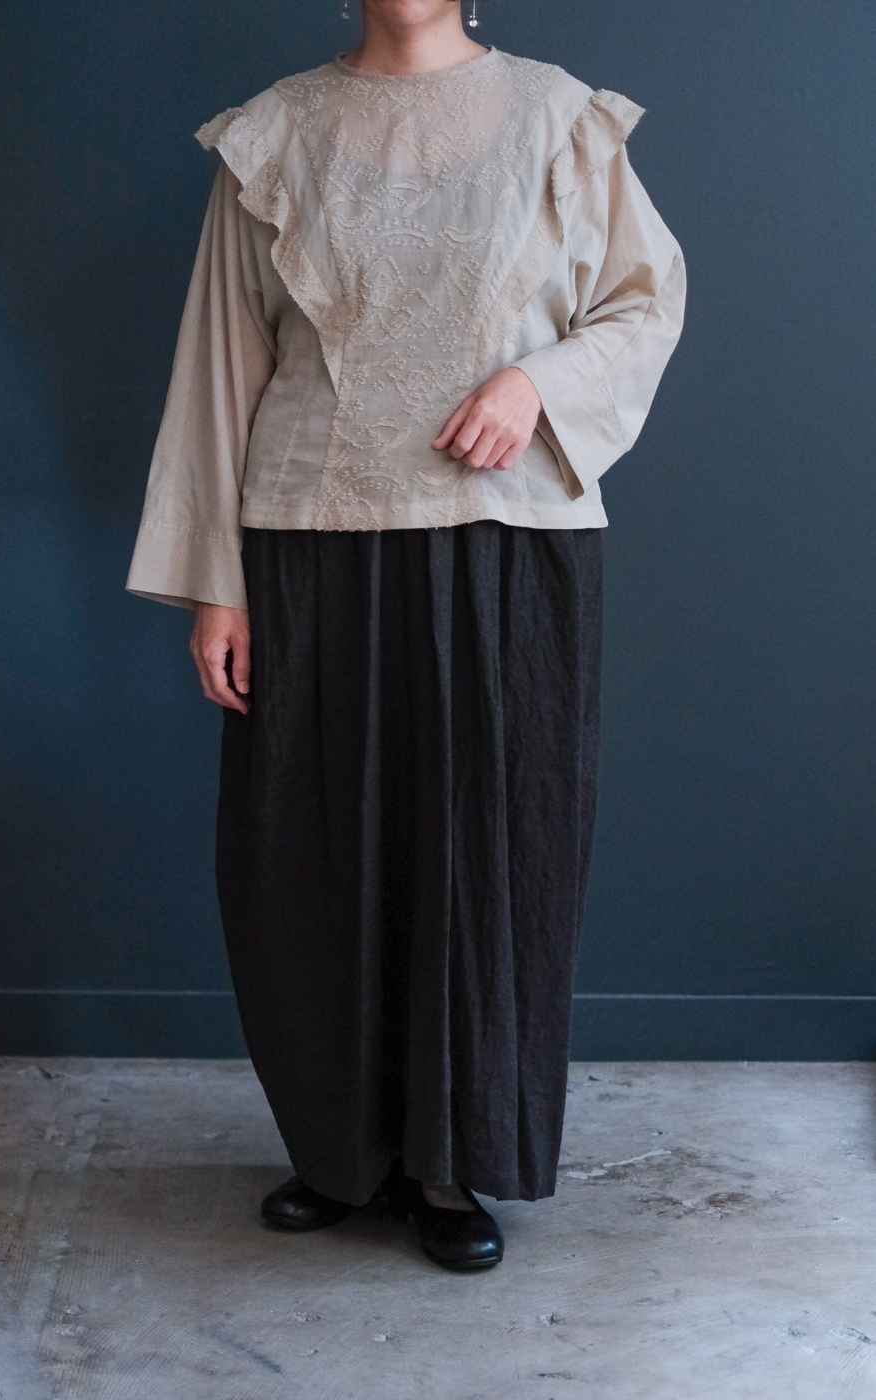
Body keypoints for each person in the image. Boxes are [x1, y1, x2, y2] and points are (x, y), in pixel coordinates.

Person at [126, 0, 685, 1273]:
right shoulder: (274, 133)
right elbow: (220, 365)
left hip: (503, 539)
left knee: (480, 853)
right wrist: (217, 582)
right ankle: (340, 1149)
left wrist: (536, 383)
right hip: (308, 536)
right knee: (311, 857)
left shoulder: (559, 116)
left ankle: (449, 1157)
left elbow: (645, 303)